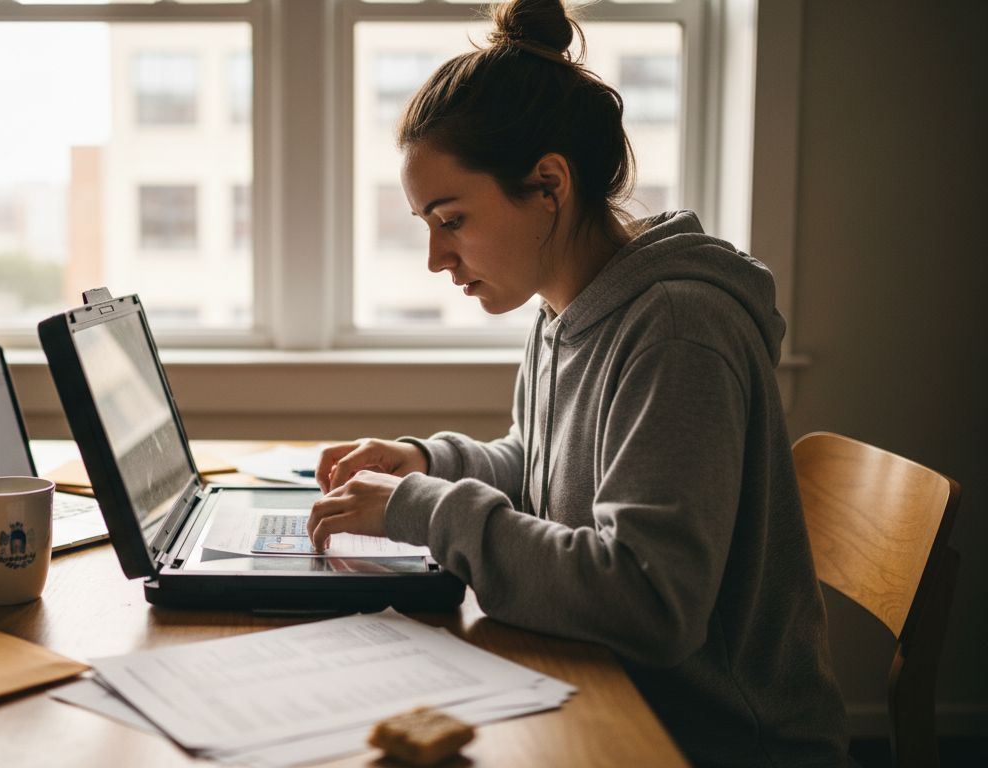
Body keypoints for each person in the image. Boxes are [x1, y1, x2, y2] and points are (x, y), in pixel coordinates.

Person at [304, 0, 847, 764]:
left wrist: (421, 510)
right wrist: (427, 462)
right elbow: (544, 469)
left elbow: (649, 601)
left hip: (711, 742)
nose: (435, 258)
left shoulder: (677, 331)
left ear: (549, 184)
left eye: (451, 220)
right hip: (604, 688)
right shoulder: (567, 310)